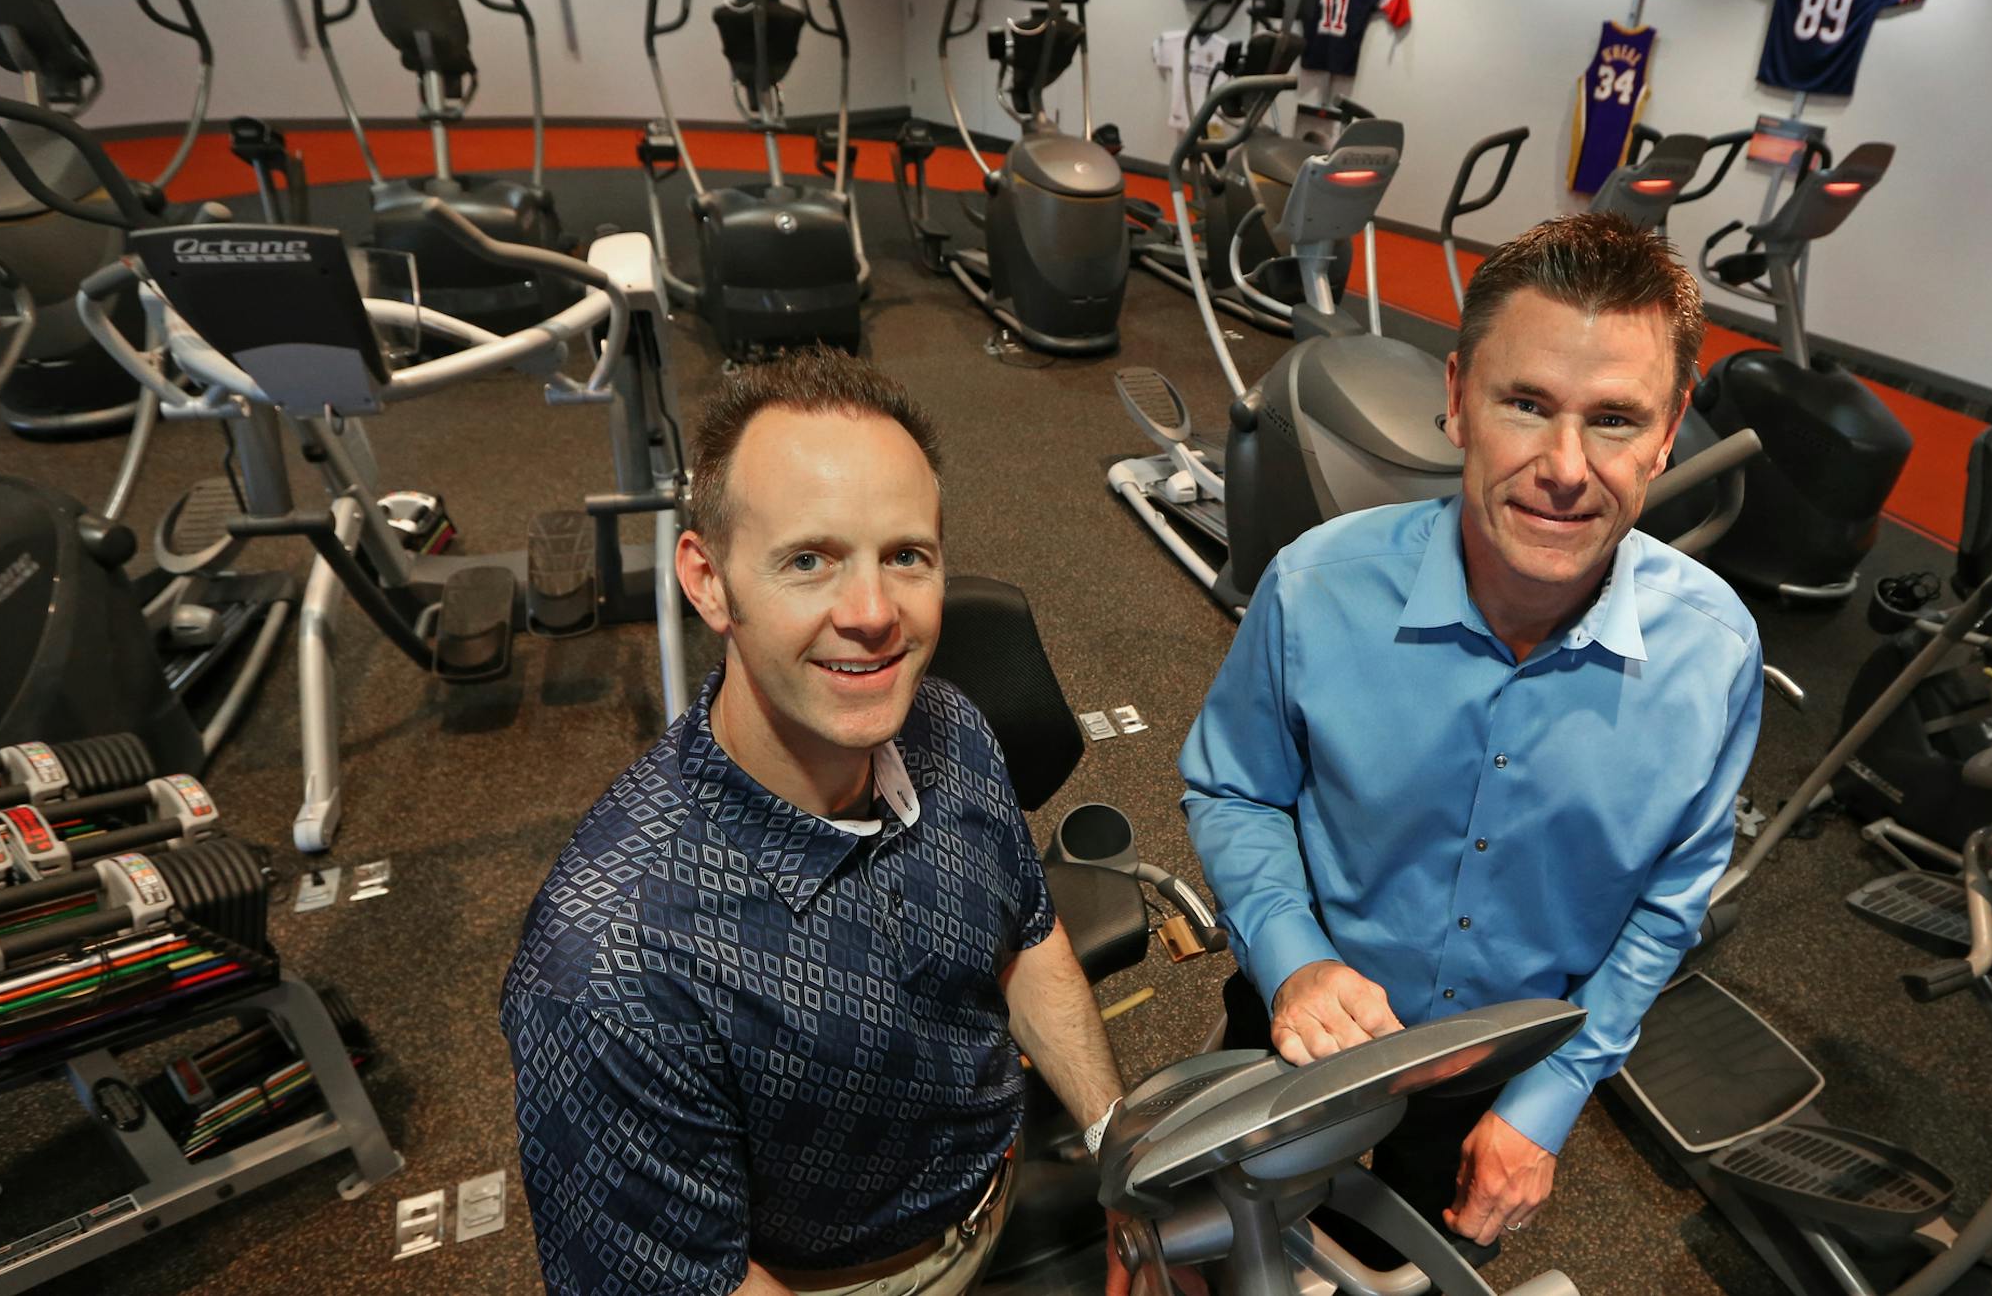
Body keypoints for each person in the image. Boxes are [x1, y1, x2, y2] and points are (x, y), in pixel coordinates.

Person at [1181, 211, 1764, 1263]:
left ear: (1672, 429)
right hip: (1298, 1022)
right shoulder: (1314, 591)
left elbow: (1670, 901)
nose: (1565, 467)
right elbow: (1235, 791)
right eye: (1527, 404)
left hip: (1499, 1069)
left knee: (1405, 1272)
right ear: (1457, 399)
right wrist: (1295, 960)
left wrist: (1552, 1096)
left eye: (1617, 420)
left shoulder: (1715, 654)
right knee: (1237, 1257)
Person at [501, 350, 1128, 1295]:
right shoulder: (608, 966)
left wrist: (1121, 1153)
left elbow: (1024, 942)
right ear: (709, 581)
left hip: (1001, 1182)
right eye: (808, 561)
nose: (874, 614)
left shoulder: (950, 729)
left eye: (905, 556)